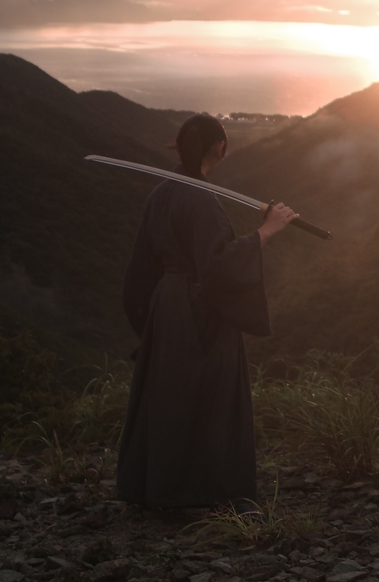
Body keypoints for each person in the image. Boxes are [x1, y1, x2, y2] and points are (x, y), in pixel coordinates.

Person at [115, 114, 297, 508]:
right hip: (199, 308)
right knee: (207, 393)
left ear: (179, 148)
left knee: (170, 394)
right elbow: (217, 266)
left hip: (167, 304)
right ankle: (203, 493)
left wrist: (151, 320)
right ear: (221, 148)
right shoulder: (200, 200)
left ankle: (158, 485)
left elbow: (140, 272)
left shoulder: (160, 196)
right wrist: (267, 230)